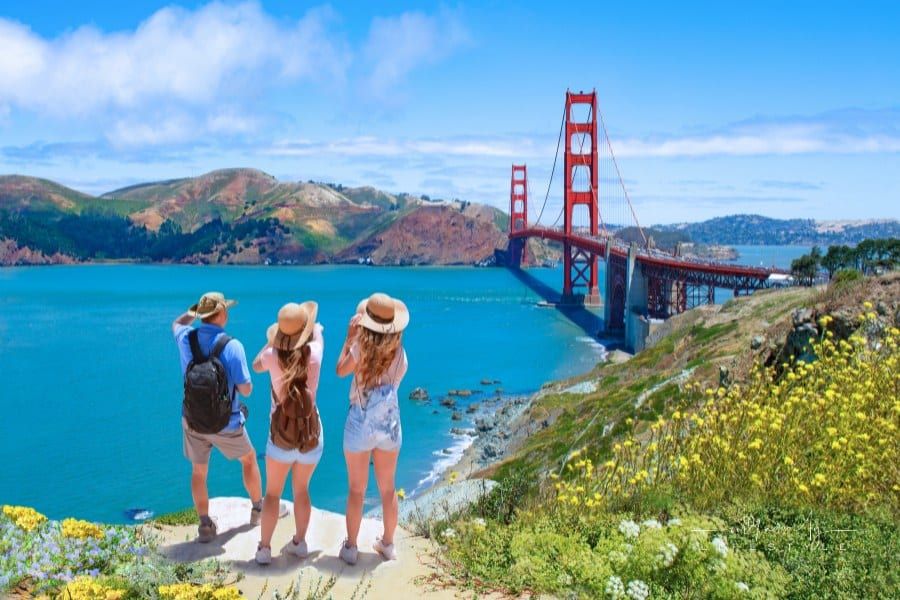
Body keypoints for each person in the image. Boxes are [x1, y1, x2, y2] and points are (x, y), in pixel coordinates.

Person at [172, 291, 262, 543]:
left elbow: (177, 323)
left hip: (193, 420)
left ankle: (204, 525)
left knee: (199, 472)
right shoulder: (232, 345)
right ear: (221, 313)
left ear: (202, 315)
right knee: (249, 459)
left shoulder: (185, 338)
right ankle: (258, 509)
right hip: (227, 422)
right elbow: (246, 389)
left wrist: (193, 312)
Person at [336, 292, 409, 564]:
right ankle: (388, 544)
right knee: (388, 488)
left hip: (359, 423)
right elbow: (396, 382)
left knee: (356, 489)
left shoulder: (360, 348)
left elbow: (340, 370)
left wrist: (349, 335)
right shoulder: (400, 353)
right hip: (389, 424)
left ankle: (351, 548)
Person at [251, 301, 324, 565]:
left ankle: (264, 549)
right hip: (309, 436)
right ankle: (299, 543)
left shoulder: (271, 356)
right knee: (301, 490)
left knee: (272, 494)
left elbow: (256, 365)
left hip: (280, 438)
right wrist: (313, 330)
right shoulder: (315, 352)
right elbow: (317, 335)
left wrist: (272, 341)